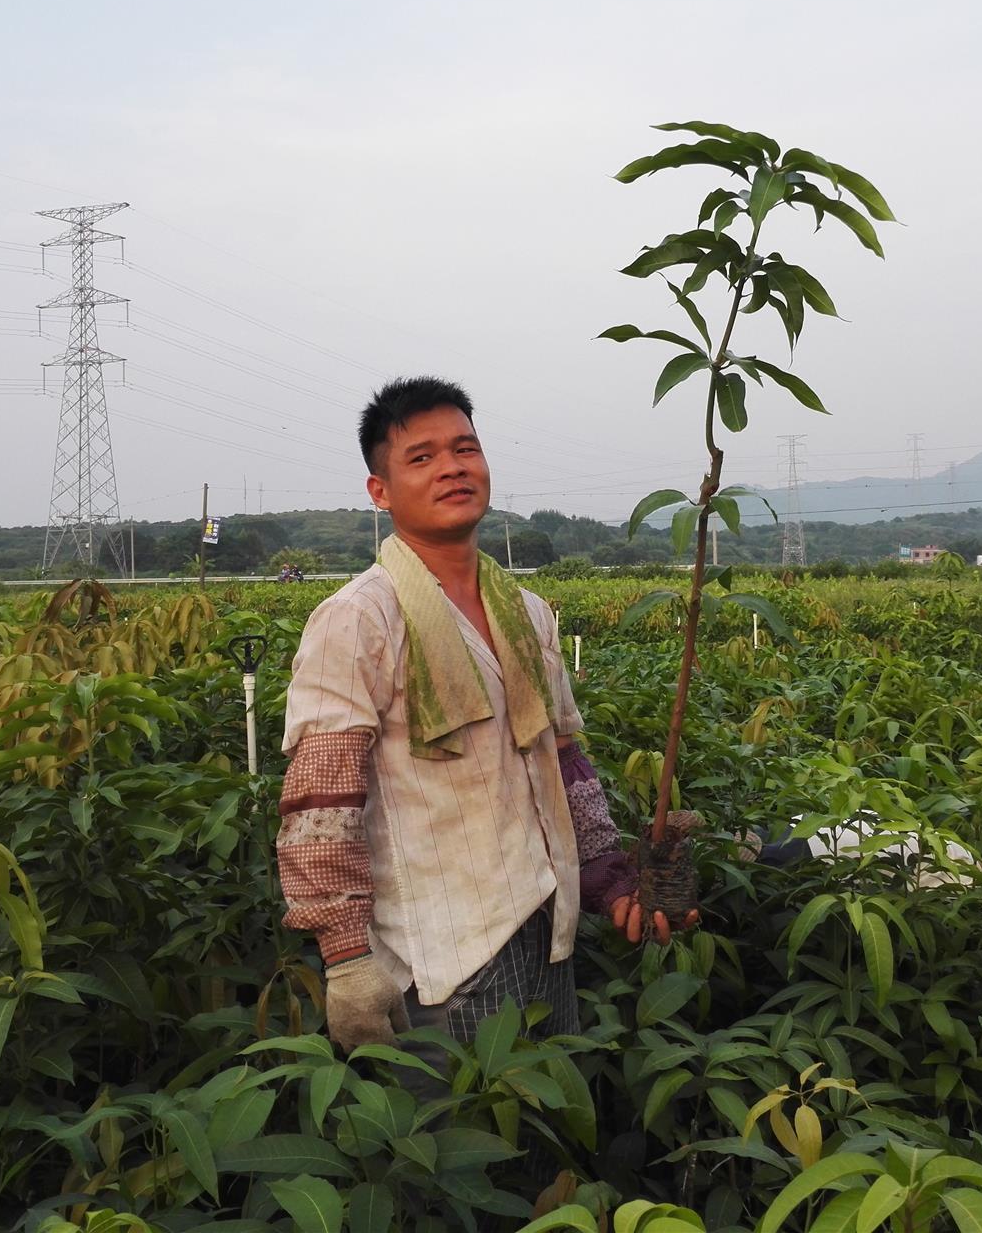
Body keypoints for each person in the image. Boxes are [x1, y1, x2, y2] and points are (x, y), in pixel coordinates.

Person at [275, 376, 694, 1051]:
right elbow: (321, 796)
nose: (451, 467)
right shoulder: (358, 619)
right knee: (457, 1145)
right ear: (379, 492)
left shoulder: (525, 613)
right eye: (422, 457)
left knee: (546, 1137)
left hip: (545, 933)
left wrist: (611, 882)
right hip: (439, 956)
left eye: (465, 448)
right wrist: (346, 957)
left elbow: (563, 765)